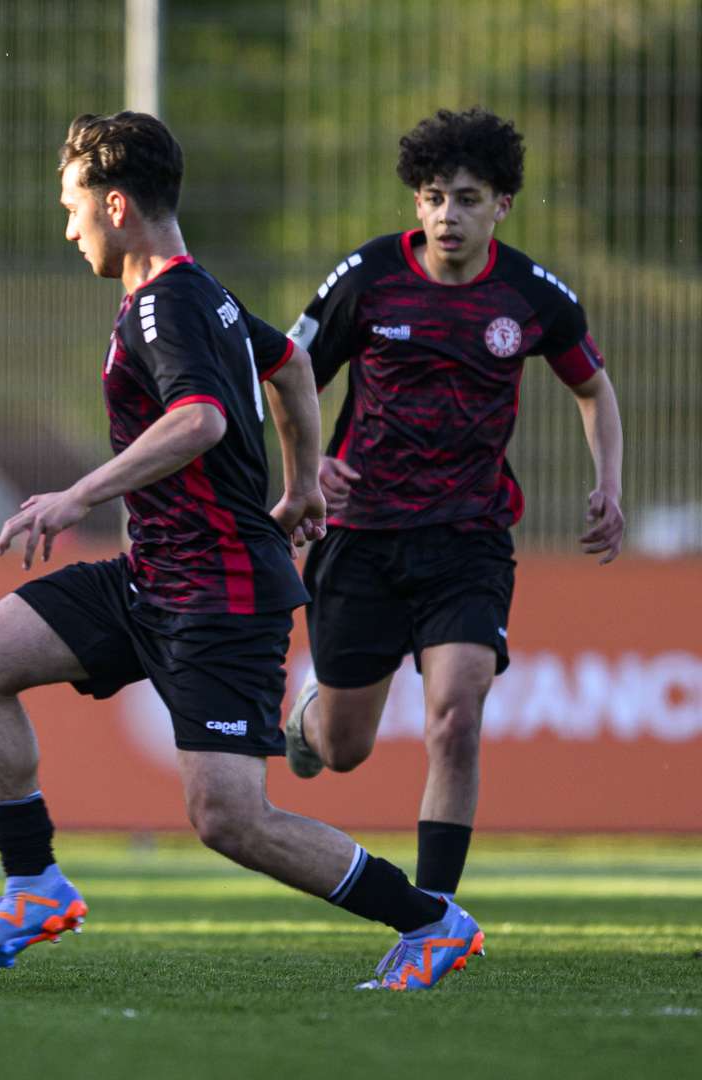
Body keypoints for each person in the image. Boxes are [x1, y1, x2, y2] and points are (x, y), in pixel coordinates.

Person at [0, 112, 482, 991]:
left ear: (116, 205)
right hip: (151, 577)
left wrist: (77, 493)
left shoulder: (168, 303)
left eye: (73, 206)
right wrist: (303, 485)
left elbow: (200, 419)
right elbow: (294, 365)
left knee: (230, 819)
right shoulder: (202, 294)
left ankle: (431, 921)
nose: (68, 226)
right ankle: (33, 884)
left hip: (220, 595)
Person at [282, 108, 624, 931]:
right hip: (360, 538)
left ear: (501, 204)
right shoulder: (366, 279)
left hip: (468, 539)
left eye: (466, 199)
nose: (446, 216)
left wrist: (608, 483)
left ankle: (434, 917)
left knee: (456, 711)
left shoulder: (532, 296)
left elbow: (592, 386)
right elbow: (290, 372)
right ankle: (308, 720)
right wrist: (308, 468)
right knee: (344, 749)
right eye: (433, 197)